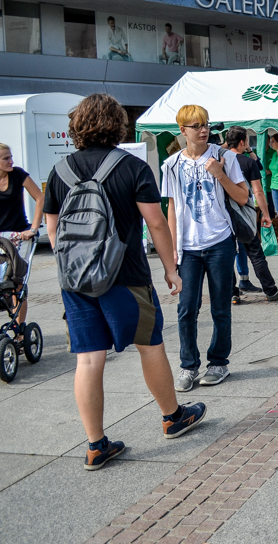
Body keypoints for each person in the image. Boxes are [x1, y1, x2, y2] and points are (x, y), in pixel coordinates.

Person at [43, 94, 206, 471]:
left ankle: (96, 444)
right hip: (126, 276)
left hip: (77, 283)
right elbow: (157, 222)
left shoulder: (60, 170)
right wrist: (170, 268)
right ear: (117, 124)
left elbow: (53, 229)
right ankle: (172, 417)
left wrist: (76, 263)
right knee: (149, 346)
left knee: (88, 359)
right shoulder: (131, 167)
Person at [162, 105, 248, 391]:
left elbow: (244, 197)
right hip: (188, 248)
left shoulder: (224, 157)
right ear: (183, 131)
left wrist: (219, 175)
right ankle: (188, 366)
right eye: (196, 125)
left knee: (221, 307)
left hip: (220, 242)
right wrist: (172, 250)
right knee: (187, 308)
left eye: (206, 124)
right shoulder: (171, 164)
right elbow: (172, 208)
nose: (203, 130)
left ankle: (218, 362)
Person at [225, 127, 278, 305]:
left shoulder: (220, 160)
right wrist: (266, 214)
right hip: (244, 213)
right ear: (243, 142)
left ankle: (232, 293)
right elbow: (258, 191)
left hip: (224, 215)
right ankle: (270, 290)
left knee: (227, 255)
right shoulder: (247, 162)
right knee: (255, 253)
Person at [0, 143, 44, 327]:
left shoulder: (18, 175)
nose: (11, 161)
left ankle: (18, 330)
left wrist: (33, 229)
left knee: (16, 283)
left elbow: (40, 198)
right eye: (6, 158)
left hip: (19, 235)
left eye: (11, 157)